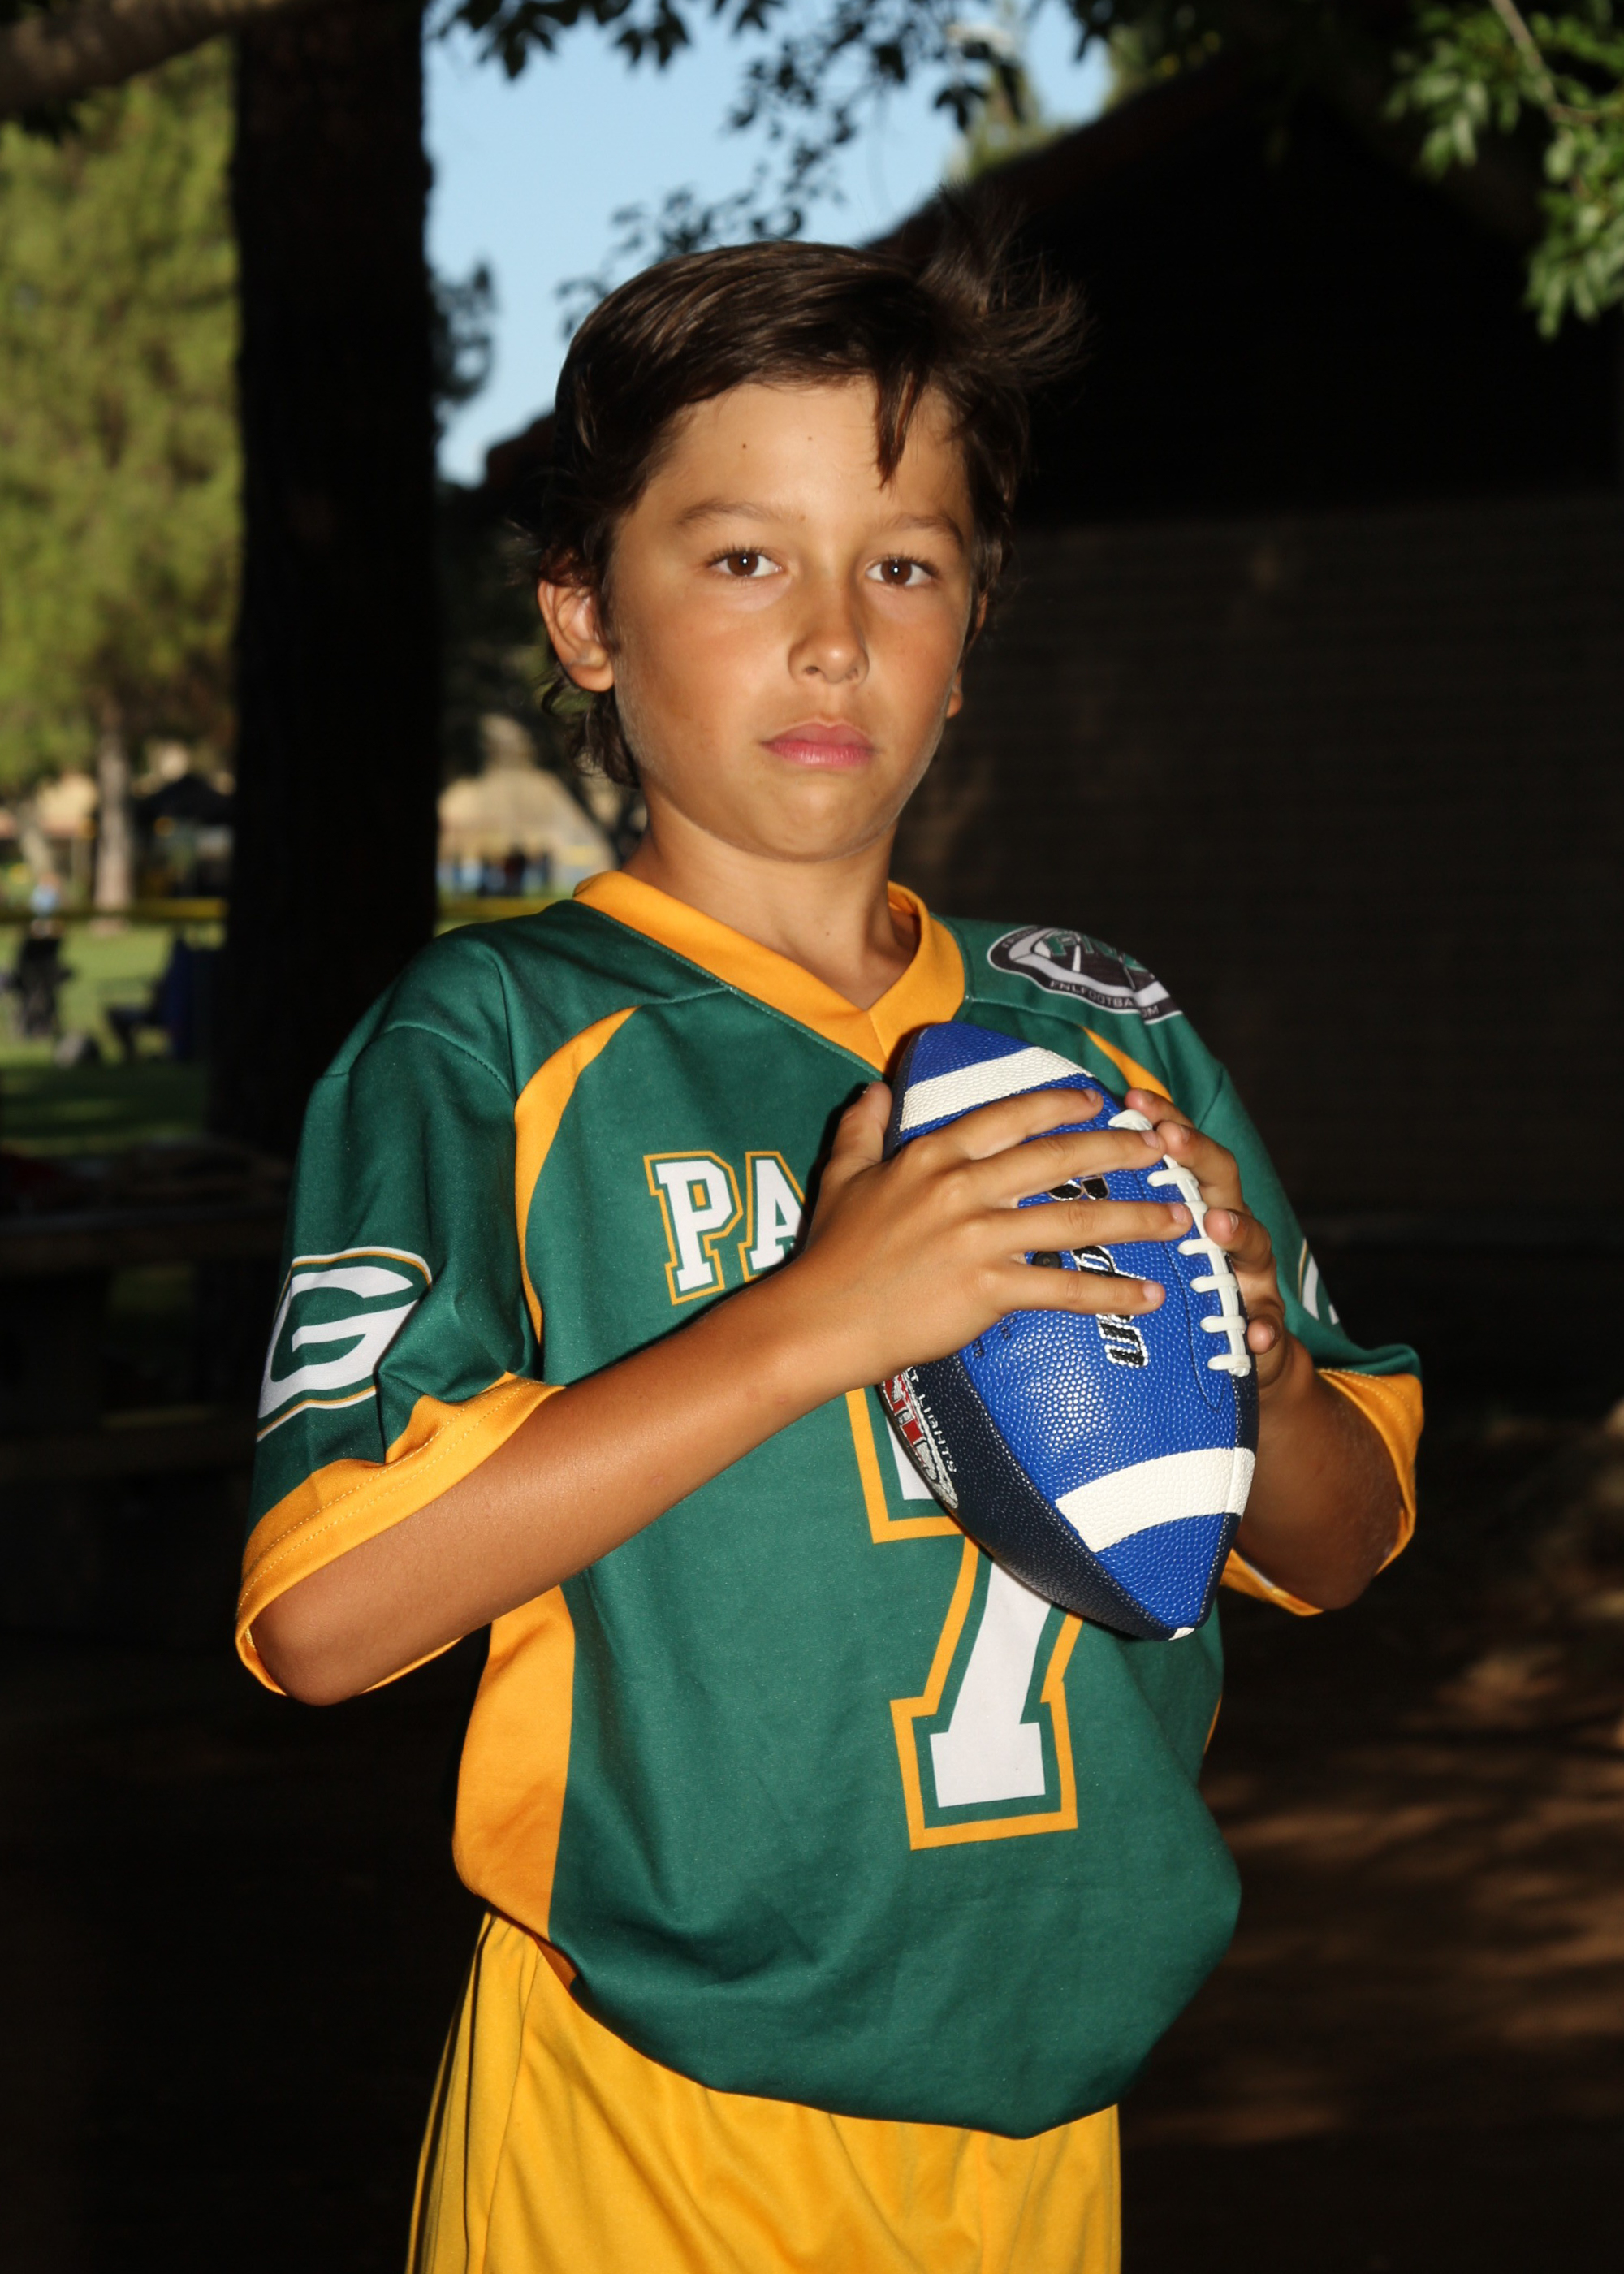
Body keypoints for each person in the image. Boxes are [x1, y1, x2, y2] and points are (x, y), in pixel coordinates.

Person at [238, 228, 1421, 2274]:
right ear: (583, 614)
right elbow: (326, 1612)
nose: (829, 640)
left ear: (972, 626)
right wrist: (818, 1320)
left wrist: (1269, 1374)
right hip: (644, 2117)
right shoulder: (492, 1037)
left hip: (1043, 2106)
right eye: (739, 558)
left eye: (902, 566)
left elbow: (1344, 1540)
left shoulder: (1105, 1037)